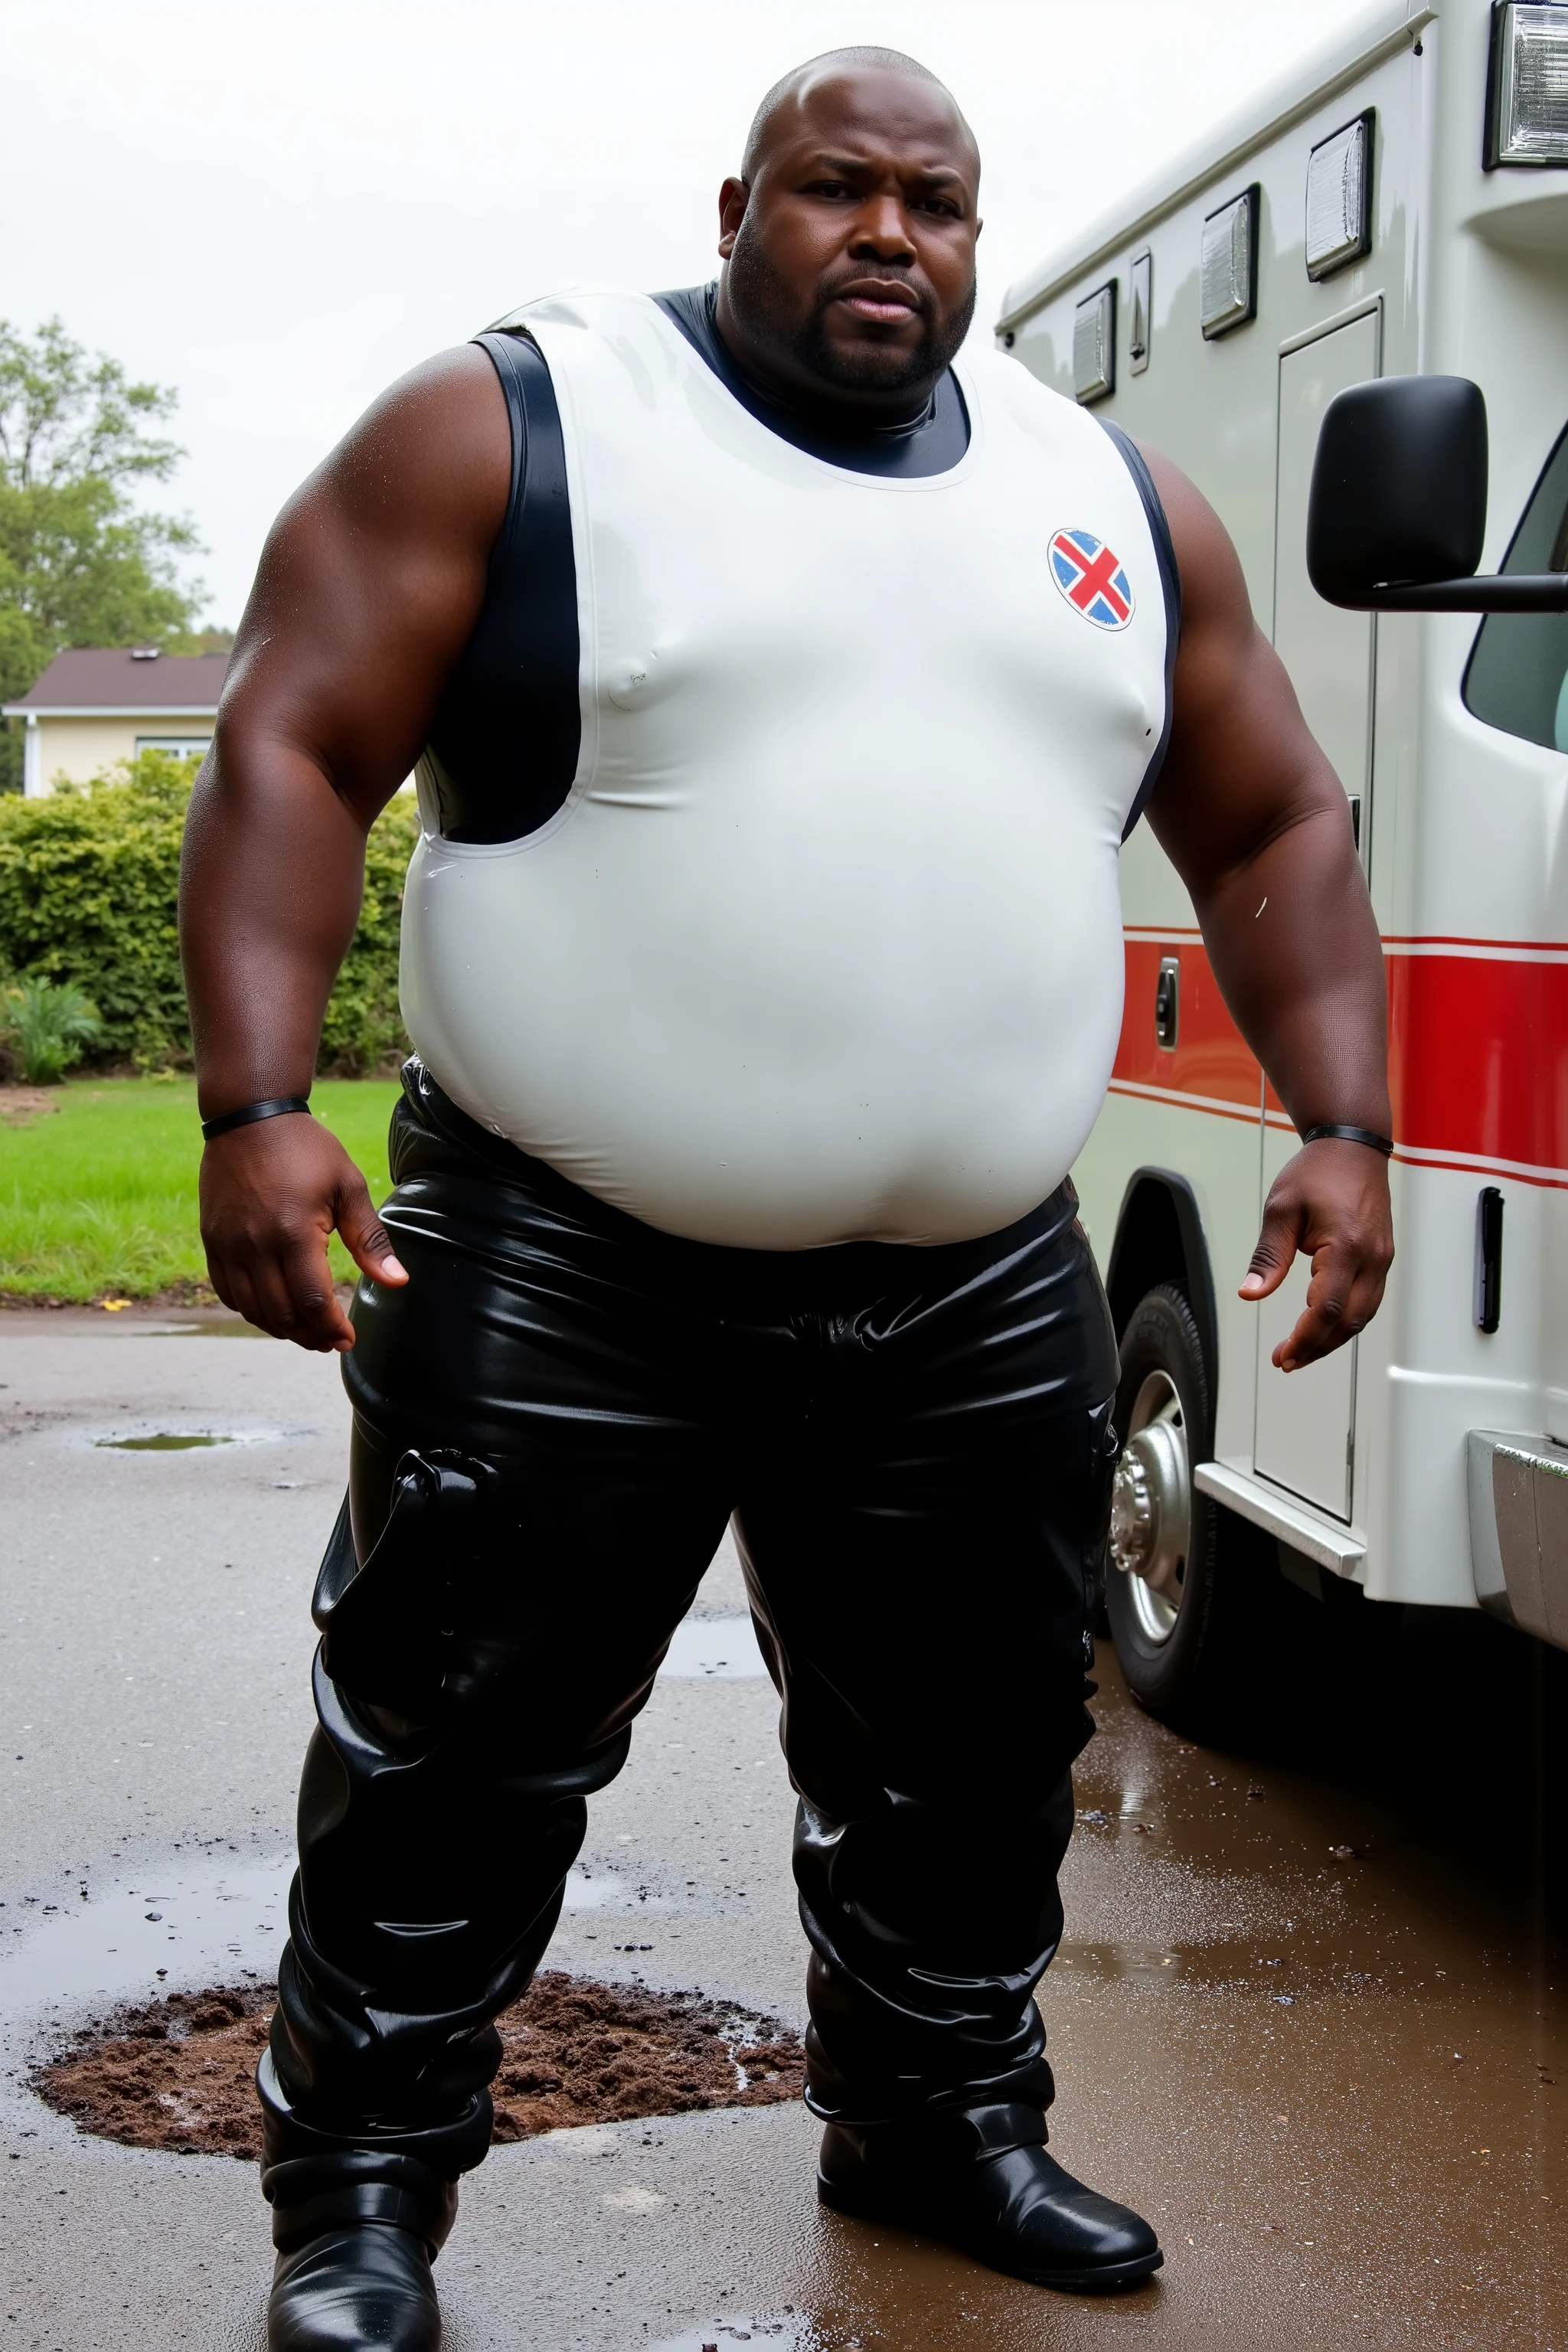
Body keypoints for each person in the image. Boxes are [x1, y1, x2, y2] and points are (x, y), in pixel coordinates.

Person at [180, 46, 1394, 2351]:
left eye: (939, 201)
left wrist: (1343, 1121)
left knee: (976, 1750)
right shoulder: (524, 425)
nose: (891, 237)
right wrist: (257, 1103)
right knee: (453, 1741)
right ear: (738, 203)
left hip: (972, 1277)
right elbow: (291, 737)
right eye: (839, 188)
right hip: (562, 1253)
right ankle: (359, 2198)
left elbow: (1273, 815)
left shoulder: (1109, 496)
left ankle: (940, 2127)